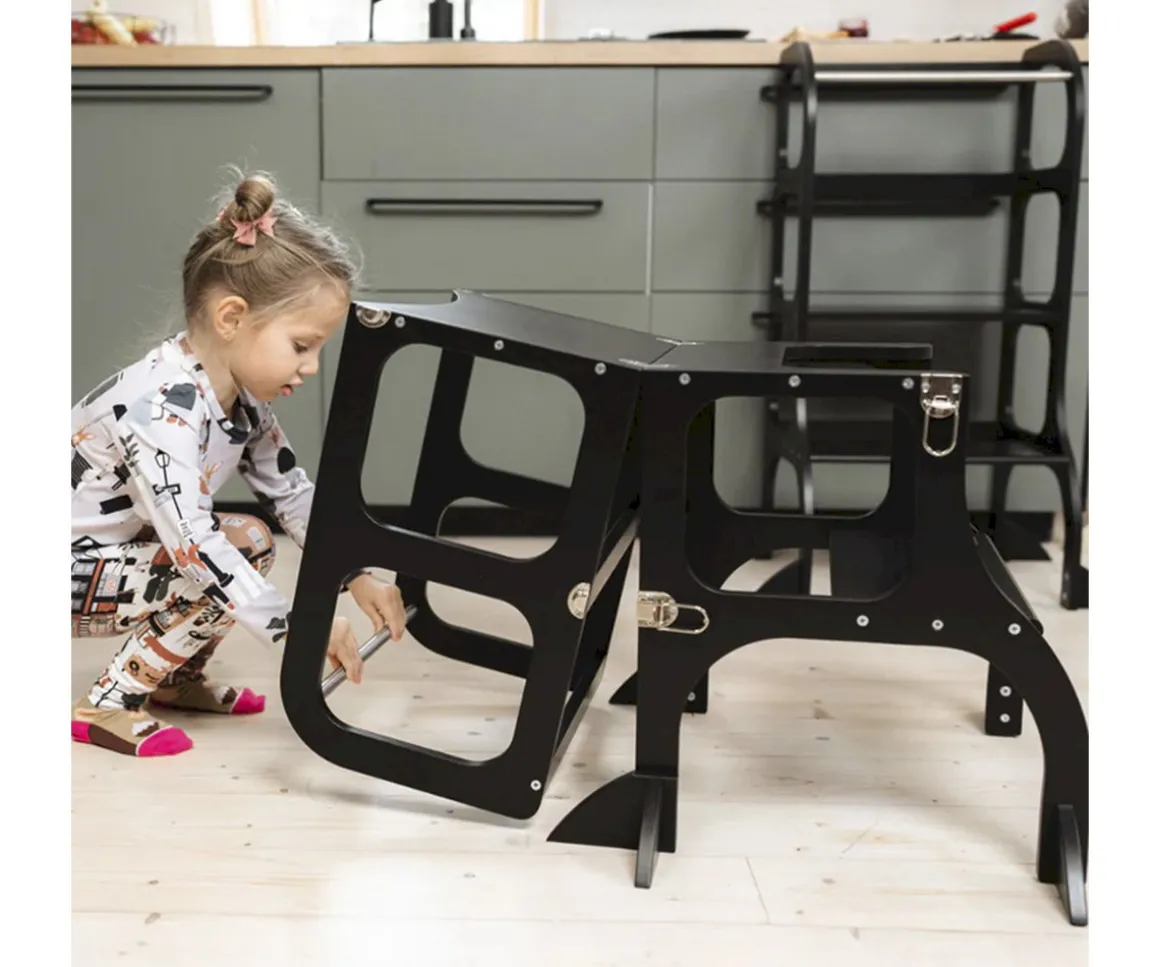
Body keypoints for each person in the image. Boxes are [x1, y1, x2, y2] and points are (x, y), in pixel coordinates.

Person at [71, 171, 408, 757]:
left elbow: (291, 492)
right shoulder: (159, 411)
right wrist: (297, 627)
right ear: (231, 318)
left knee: (249, 541)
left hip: (110, 559)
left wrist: (357, 574)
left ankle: (172, 677)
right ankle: (107, 704)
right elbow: (195, 548)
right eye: (301, 345)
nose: (311, 366)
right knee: (212, 564)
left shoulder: (239, 397)